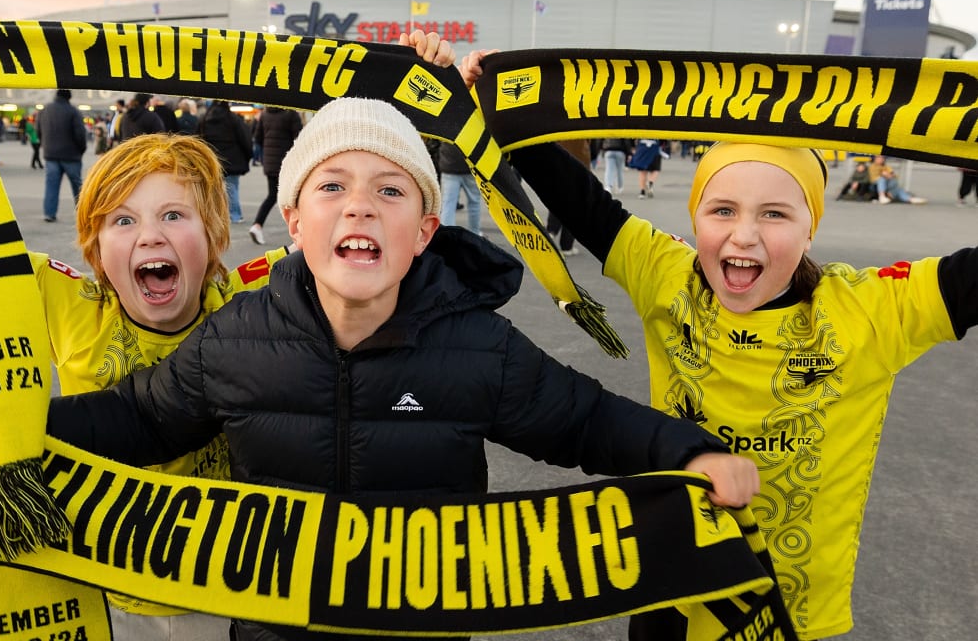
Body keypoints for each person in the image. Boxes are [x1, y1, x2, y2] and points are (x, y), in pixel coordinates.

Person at [38, 97, 758, 641]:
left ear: (422, 231)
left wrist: (688, 451)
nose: (359, 205)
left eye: (389, 190)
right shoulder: (237, 339)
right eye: (332, 188)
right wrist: (8, 434)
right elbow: (135, 417)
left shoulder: (477, 346)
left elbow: (587, 421)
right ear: (295, 221)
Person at [491, 135, 973, 640]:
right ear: (695, 219)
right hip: (672, 587)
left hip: (784, 609)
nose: (744, 235)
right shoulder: (667, 275)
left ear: (811, 229)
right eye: (722, 210)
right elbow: (581, 201)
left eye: (775, 214)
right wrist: (500, 107)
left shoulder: (872, 310)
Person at [0, 132, 291, 640]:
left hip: (223, 590)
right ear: (97, 253)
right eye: (123, 220)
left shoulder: (251, 300)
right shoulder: (71, 302)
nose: (149, 236)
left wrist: (436, 100)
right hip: (102, 590)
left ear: (215, 237)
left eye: (173, 215)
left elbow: (360, 236)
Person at [248, 106, 303, 245]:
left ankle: (257, 225)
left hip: (270, 162)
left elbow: (258, 137)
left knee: (272, 195)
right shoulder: (291, 114)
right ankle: (301, 231)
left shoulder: (265, 115)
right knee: (297, 196)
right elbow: (300, 139)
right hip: (287, 163)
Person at [198, 99, 253, 224]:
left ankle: (217, 216)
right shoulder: (233, 119)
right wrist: (248, 155)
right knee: (232, 187)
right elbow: (244, 138)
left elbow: (198, 139)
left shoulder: (205, 119)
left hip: (211, 159)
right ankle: (235, 215)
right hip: (232, 160)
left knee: (214, 189)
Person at [36, 88, 86, 222]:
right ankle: (83, 212)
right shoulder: (73, 111)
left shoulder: (45, 110)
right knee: (77, 185)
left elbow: (38, 130)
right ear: (69, 97)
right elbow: (80, 134)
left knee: (51, 185)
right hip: (71, 155)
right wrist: (81, 150)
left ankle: (49, 213)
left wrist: (44, 145)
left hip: (50, 155)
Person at [546, 138, 590, 256]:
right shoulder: (583, 125)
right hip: (580, 164)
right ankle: (566, 246)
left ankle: (551, 231)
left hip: (558, 162)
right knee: (574, 207)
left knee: (557, 199)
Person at [437, 141, 484, 236]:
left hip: (449, 166)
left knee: (448, 205)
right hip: (471, 167)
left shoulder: (443, 125)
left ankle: (447, 236)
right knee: (474, 203)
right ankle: (475, 233)